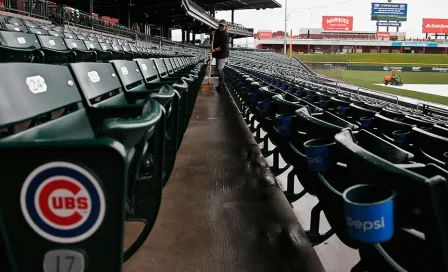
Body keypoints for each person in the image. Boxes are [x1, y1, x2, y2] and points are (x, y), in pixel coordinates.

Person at [211, 19, 230, 92]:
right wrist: (212, 34)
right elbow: (213, 39)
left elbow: (224, 46)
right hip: (218, 54)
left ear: (225, 27)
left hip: (223, 54)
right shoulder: (217, 32)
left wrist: (215, 49)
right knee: (218, 69)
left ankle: (221, 85)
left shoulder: (226, 34)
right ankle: (222, 84)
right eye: (220, 25)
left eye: (222, 26)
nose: (221, 27)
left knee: (219, 69)